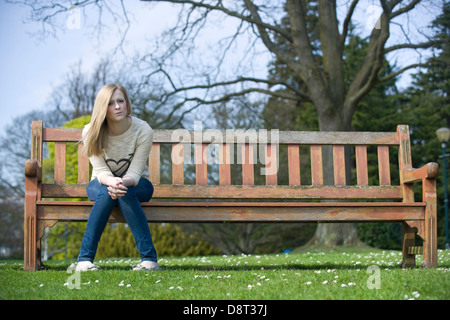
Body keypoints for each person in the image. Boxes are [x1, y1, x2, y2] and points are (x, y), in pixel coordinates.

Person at [76, 83, 159, 271]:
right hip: (100, 184)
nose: (117, 107)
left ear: (127, 103)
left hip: (136, 184)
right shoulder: (91, 131)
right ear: (102, 107)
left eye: (120, 101)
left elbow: (136, 173)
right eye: (110, 103)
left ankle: (148, 262)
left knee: (125, 192)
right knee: (107, 193)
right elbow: (101, 171)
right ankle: (85, 261)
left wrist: (121, 183)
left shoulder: (143, 130)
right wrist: (112, 182)